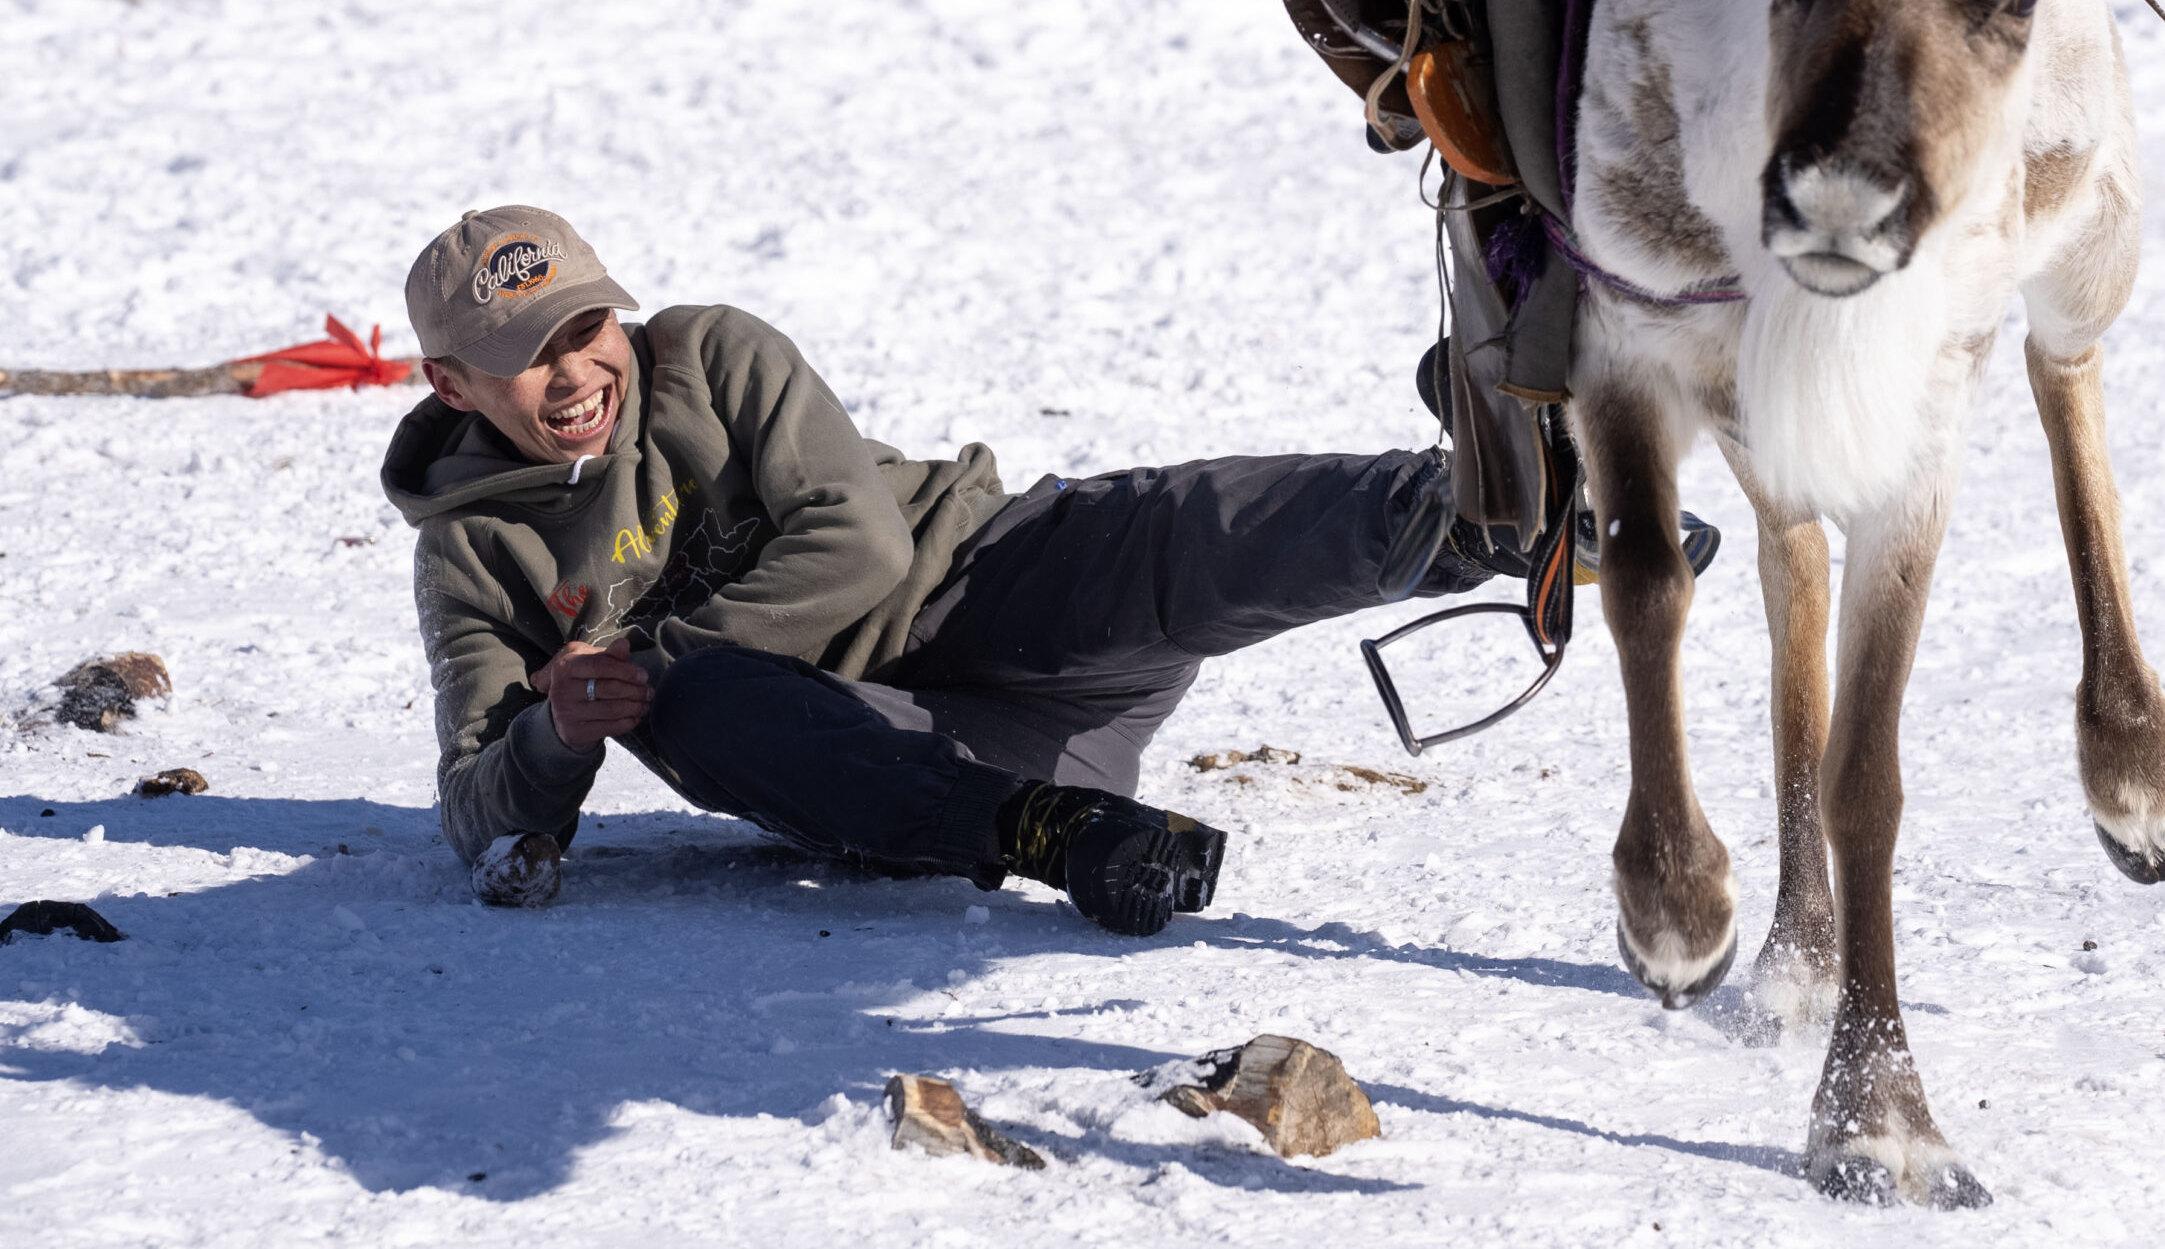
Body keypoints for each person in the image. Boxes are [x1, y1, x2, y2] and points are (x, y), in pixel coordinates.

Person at [380, 207, 1514, 936]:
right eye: (524, 360)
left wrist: (640, 652)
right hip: (937, 757)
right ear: (450, 385)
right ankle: (1058, 838)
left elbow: (864, 544)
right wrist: (557, 734)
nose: (575, 372)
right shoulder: (474, 556)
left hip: (994, 596)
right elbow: (473, 803)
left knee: (1143, 529)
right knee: (693, 705)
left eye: (586, 329)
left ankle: (1468, 515)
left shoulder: (710, 356)